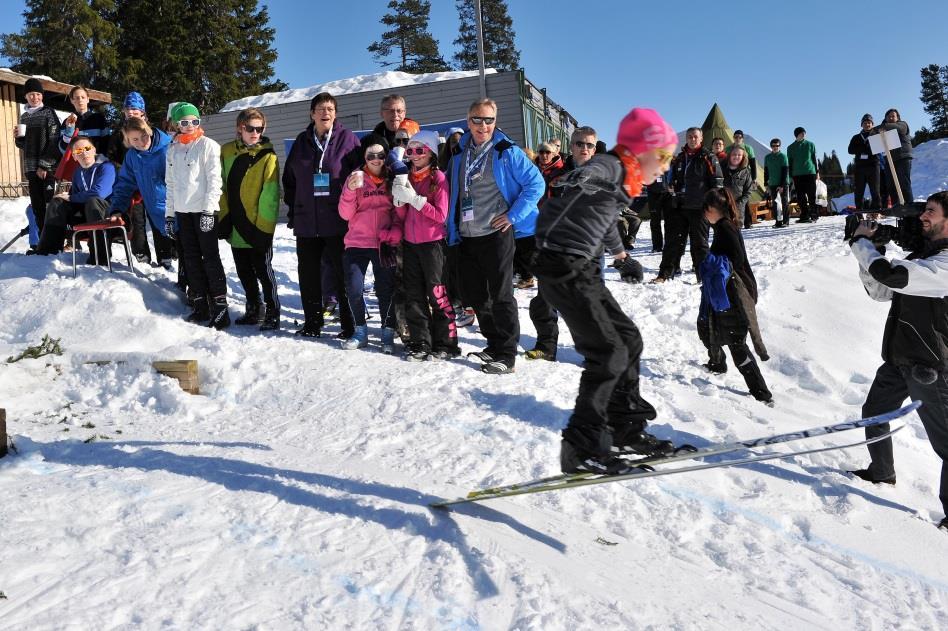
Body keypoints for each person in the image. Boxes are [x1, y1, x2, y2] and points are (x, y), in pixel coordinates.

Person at [534, 107, 677, 474]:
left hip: (582, 268)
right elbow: (591, 174)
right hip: (562, 266)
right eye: (661, 158)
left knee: (628, 339)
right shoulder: (609, 168)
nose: (663, 167)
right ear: (642, 151)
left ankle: (626, 429)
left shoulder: (621, 180)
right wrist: (581, 176)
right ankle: (580, 447)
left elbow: (605, 218)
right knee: (608, 351)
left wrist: (620, 256)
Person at [847, 191, 948, 531]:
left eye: (930, 212)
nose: (923, 216)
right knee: (873, 413)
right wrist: (870, 251)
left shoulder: (945, 263)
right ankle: (882, 472)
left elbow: (894, 277)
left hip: (932, 369)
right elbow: (882, 291)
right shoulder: (922, 255)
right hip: (898, 361)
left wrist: (861, 244)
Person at [447, 98, 544, 374]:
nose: (483, 125)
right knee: (475, 294)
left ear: (495, 122)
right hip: (466, 234)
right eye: (477, 119)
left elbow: (536, 184)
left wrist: (513, 216)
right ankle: (494, 343)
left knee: (501, 295)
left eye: (489, 120)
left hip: (496, 233)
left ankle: (508, 353)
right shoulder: (459, 152)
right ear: (468, 122)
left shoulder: (506, 151)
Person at [282, 92, 361, 338]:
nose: (325, 113)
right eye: (320, 108)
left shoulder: (347, 139)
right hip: (307, 222)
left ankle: (350, 325)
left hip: (338, 221)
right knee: (308, 276)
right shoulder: (302, 141)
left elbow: (359, 177)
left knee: (343, 275)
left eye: (330, 108)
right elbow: (290, 180)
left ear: (335, 114)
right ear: (312, 113)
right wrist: (295, 211)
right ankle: (313, 323)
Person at [525, 126, 600, 362]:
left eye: (589, 145)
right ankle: (546, 346)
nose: (584, 148)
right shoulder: (557, 173)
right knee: (545, 298)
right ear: (571, 146)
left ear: (595, 148)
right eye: (579, 143)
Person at [698, 189, 772, 405]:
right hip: (724, 290)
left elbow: (737, 258)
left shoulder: (726, 228)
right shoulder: (722, 226)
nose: (704, 214)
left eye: (706, 210)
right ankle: (717, 364)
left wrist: (716, 264)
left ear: (714, 210)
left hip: (735, 293)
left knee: (736, 342)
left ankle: (762, 394)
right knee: (709, 324)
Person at [391, 130, 458, 360]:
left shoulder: (437, 178)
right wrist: (399, 200)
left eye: (420, 150)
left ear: (430, 153)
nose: (414, 155)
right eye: (410, 151)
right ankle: (420, 341)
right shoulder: (406, 177)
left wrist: (415, 200)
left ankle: (446, 344)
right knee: (414, 294)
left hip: (433, 245)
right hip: (410, 244)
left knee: (437, 294)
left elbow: (441, 215)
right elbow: (402, 215)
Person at [165, 102, 229, 329]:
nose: (190, 126)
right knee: (190, 258)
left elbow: (215, 181)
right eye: (184, 122)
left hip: (204, 211)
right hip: (183, 212)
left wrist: (209, 210)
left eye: (195, 121)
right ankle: (200, 304)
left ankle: (221, 307)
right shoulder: (172, 149)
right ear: (176, 124)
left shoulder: (209, 145)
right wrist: (170, 215)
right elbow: (170, 184)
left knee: (210, 257)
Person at [219, 107, 281, 331]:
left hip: (257, 227)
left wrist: (264, 229)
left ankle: (274, 311)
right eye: (250, 128)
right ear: (240, 128)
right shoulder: (226, 151)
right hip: (236, 225)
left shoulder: (268, 156)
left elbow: (271, 195)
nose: (255, 132)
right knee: (244, 271)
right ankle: (254, 309)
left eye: (259, 128)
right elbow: (221, 187)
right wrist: (223, 217)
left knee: (264, 271)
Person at [338, 134, 399, 352]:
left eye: (380, 155)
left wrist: (394, 234)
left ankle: (387, 333)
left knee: (386, 290)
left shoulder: (393, 177)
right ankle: (360, 331)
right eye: (371, 155)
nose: (376, 159)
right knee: (354, 289)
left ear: (386, 156)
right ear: (364, 157)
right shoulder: (355, 177)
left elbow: (399, 211)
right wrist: (350, 190)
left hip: (384, 243)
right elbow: (345, 214)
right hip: (357, 242)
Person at [653, 127, 722, 283]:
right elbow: (673, 178)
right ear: (686, 138)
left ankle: (703, 276)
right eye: (690, 137)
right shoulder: (680, 157)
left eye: (695, 137)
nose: (692, 139)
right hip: (679, 206)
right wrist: (672, 186)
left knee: (699, 243)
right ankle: (664, 274)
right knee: (672, 241)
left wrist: (712, 205)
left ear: (701, 138)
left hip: (699, 207)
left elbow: (717, 183)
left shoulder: (708, 157)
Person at [34, 136, 115, 263]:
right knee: (57, 203)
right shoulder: (78, 172)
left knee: (93, 201)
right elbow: (74, 199)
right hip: (85, 214)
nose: (84, 153)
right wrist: (63, 199)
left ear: (94, 150)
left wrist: (71, 197)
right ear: (74, 156)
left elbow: (100, 193)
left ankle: (100, 256)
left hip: (106, 214)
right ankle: (47, 251)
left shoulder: (106, 167)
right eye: (78, 151)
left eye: (87, 148)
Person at [108, 116, 174, 268]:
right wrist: (117, 208)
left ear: (149, 131)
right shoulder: (132, 156)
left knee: (189, 252)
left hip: (176, 210)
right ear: (128, 141)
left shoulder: (168, 149)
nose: (141, 142)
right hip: (155, 211)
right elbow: (124, 184)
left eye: (143, 136)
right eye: (135, 139)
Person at [14, 77, 60, 237]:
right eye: (31, 94)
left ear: (42, 95)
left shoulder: (49, 113)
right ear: (26, 96)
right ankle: (42, 241)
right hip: (31, 168)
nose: (35, 97)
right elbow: (24, 145)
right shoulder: (24, 117)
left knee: (49, 205)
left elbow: (55, 140)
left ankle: (54, 241)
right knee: (37, 206)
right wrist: (19, 140)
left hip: (47, 168)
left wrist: (45, 165)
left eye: (38, 94)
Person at [56, 85, 108, 183]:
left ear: (88, 99)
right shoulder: (67, 122)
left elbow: (107, 143)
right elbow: (63, 149)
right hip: (77, 171)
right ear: (72, 100)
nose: (80, 100)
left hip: (98, 168)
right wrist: (69, 130)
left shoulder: (99, 119)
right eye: (76, 98)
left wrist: (101, 163)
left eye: (83, 97)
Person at [878, 108, 914, 204]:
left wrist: (883, 126)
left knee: (903, 183)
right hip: (889, 159)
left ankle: (909, 206)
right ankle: (896, 207)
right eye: (888, 116)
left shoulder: (903, 124)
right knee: (891, 185)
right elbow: (873, 133)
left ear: (897, 117)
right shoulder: (883, 129)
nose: (891, 118)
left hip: (903, 157)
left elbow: (898, 128)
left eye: (893, 116)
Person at [848, 114, 881, 211]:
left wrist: (866, 150)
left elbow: (879, 149)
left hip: (873, 165)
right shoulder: (856, 137)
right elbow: (850, 150)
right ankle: (859, 211)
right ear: (861, 125)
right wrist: (863, 149)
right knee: (859, 191)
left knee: (875, 190)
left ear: (872, 124)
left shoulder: (877, 136)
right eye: (865, 123)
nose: (867, 124)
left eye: (869, 123)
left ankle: (876, 211)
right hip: (860, 167)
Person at [787, 126, 818, 223]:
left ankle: (814, 215)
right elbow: (790, 162)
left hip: (810, 172)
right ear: (796, 135)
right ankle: (804, 216)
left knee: (812, 195)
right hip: (797, 174)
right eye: (801, 133)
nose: (803, 134)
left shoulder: (810, 144)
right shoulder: (790, 147)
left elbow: (814, 158)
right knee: (800, 197)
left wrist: (817, 172)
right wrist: (790, 176)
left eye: (804, 133)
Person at [722, 146, 753, 228]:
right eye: (734, 154)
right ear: (729, 155)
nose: (736, 156)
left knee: (736, 235)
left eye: (739, 155)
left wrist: (739, 203)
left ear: (743, 157)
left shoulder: (746, 172)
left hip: (738, 210)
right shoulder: (721, 169)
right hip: (723, 208)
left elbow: (748, 191)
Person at [764, 138, 790, 228]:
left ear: (779, 146)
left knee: (784, 202)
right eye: (773, 146)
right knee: (775, 203)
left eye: (777, 146)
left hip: (783, 183)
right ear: (771, 146)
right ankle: (778, 221)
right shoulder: (767, 157)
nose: (775, 147)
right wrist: (766, 184)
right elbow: (766, 172)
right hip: (772, 183)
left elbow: (785, 171)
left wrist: (782, 185)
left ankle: (786, 221)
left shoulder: (783, 156)